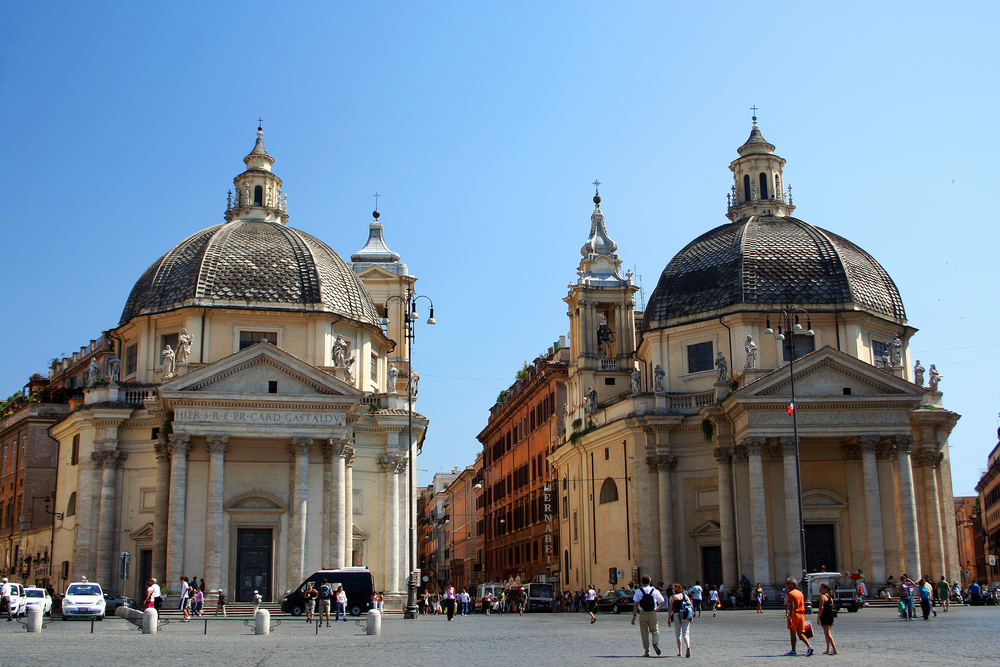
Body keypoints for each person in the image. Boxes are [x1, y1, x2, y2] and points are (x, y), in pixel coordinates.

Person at [631, 575, 666, 657]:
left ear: (642, 582)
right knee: (655, 630)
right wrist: (658, 609)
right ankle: (655, 642)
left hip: (643, 613)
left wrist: (634, 616)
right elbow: (663, 602)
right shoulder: (655, 590)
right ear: (650, 582)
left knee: (644, 632)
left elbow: (636, 604)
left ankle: (647, 651)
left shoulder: (638, 591)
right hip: (652, 612)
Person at [783, 578, 813, 657]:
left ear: (793, 585)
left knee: (793, 634)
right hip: (801, 615)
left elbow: (792, 607)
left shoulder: (791, 594)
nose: (787, 585)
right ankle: (809, 646)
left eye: (788, 583)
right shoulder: (800, 593)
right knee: (800, 633)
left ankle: (793, 650)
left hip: (795, 615)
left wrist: (790, 618)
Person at [666, 583, 693, 657]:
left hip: (676, 615)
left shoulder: (672, 597)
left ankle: (680, 652)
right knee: (686, 633)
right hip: (685, 615)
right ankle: (688, 646)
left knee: (678, 634)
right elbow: (690, 606)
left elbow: (670, 609)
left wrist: (668, 619)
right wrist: (691, 616)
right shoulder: (685, 596)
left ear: (674, 590)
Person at [817, 583, 838, 655]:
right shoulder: (830, 597)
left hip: (825, 616)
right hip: (830, 616)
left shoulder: (822, 597)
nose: (820, 589)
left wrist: (818, 617)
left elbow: (821, 608)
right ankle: (827, 649)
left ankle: (834, 649)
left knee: (828, 633)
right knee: (826, 633)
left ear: (825, 589)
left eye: (821, 588)